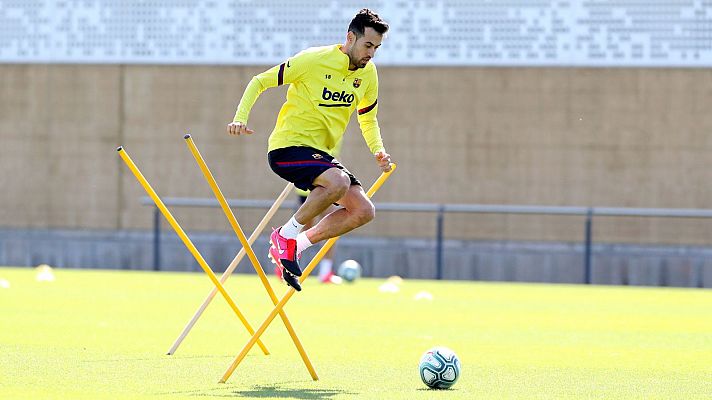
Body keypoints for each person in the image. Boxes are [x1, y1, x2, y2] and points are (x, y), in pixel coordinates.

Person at [227, 9, 392, 291]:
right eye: (368, 45)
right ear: (350, 37)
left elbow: (367, 117)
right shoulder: (313, 60)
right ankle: (285, 236)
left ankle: (297, 245)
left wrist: (378, 150)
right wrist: (241, 117)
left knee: (363, 211)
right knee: (337, 182)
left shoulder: (368, 74)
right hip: (288, 147)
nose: (372, 54)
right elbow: (260, 81)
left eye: (377, 47)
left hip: (321, 156)